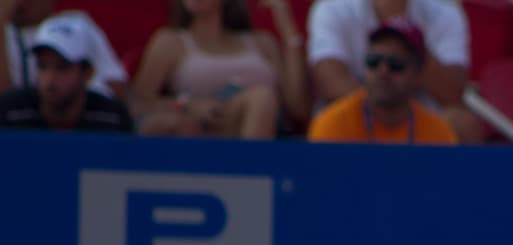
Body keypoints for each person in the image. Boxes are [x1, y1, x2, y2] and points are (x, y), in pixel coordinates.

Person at [307, 0, 484, 142]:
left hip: (418, 117)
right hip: (359, 114)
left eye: (395, 64)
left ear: (419, 71)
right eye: (373, 62)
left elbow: (453, 93)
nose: (383, 71)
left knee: (462, 123)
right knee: (330, 121)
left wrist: (399, 18)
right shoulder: (331, 7)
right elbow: (328, 80)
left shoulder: (445, 12)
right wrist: (383, 107)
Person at [131, 0, 309, 139]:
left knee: (262, 98)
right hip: (204, 126)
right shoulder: (170, 41)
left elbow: (297, 107)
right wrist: (186, 104)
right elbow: (138, 104)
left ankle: (253, 172)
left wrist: (288, 33)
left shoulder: (262, 43)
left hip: (261, 121)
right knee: (260, 98)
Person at [0, 14, 132, 132]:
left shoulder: (113, 119)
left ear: (88, 73)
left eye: (62, 67)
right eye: (42, 66)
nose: (50, 79)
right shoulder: (9, 112)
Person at [0, 0, 128, 100]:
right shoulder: (6, 34)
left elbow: (116, 88)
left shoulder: (77, 24)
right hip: (23, 127)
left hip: (85, 123)